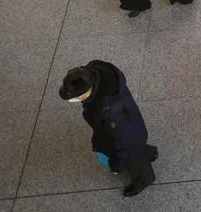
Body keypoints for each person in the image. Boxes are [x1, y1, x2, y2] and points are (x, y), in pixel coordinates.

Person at [59, 61, 157, 197]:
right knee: (137, 148)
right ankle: (149, 153)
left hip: (128, 139)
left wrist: (117, 164)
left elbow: (122, 140)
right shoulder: (100, 75)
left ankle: (144, 179)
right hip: (132, 125)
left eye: (76, 96)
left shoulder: (109, 112)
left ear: (88, 90)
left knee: (133, 159)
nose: (75, 99)